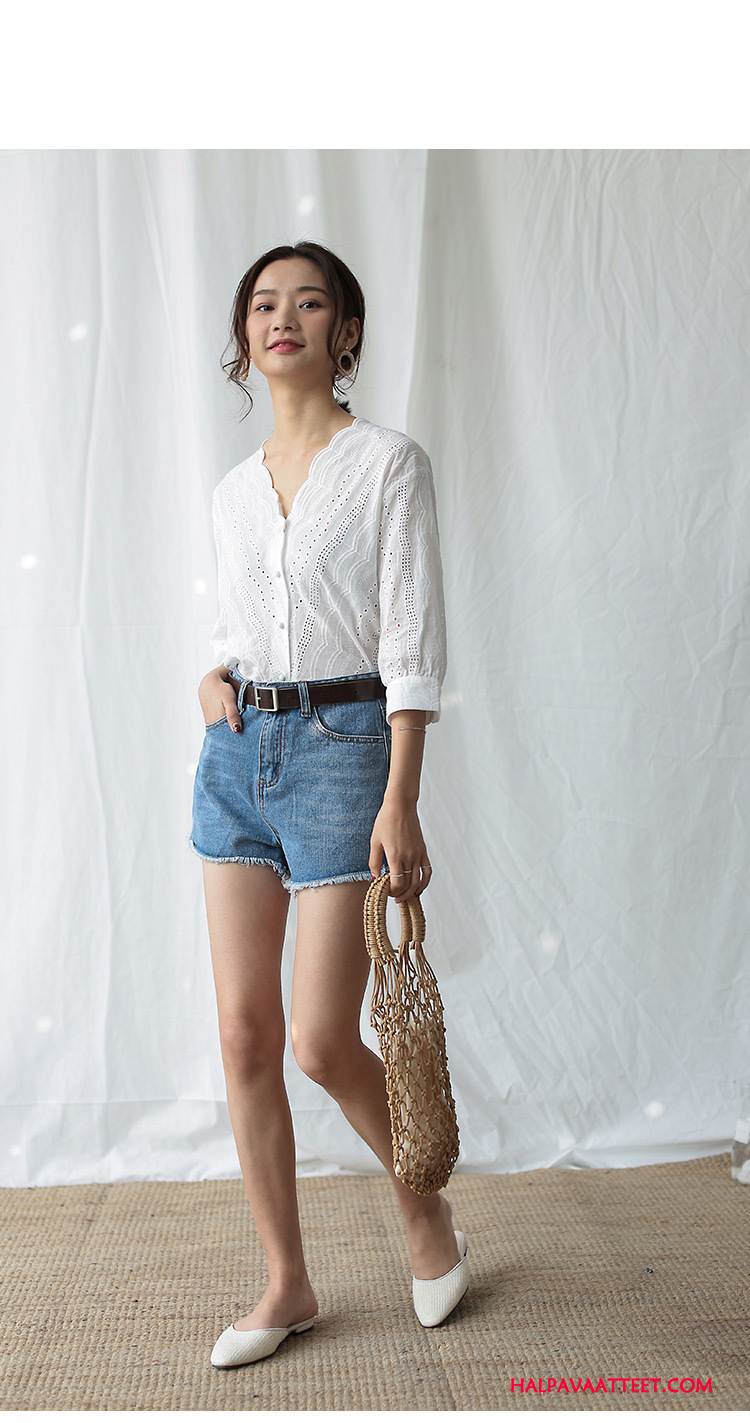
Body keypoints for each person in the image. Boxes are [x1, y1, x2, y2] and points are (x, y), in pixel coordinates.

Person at [189, 241, 468, 1368]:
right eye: (264, 303)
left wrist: (403, 798)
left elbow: (411, 644)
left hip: (347, 752)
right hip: (234, 757)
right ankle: (286, 1281)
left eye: (309, 302)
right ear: (244, 335)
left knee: (316, 1038)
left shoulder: (389, 464)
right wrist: (212, 677)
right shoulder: (232, 491)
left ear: (344, 332)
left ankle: (423, 1208)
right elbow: (235, 626)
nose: (283, 318)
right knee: (244, 1033)